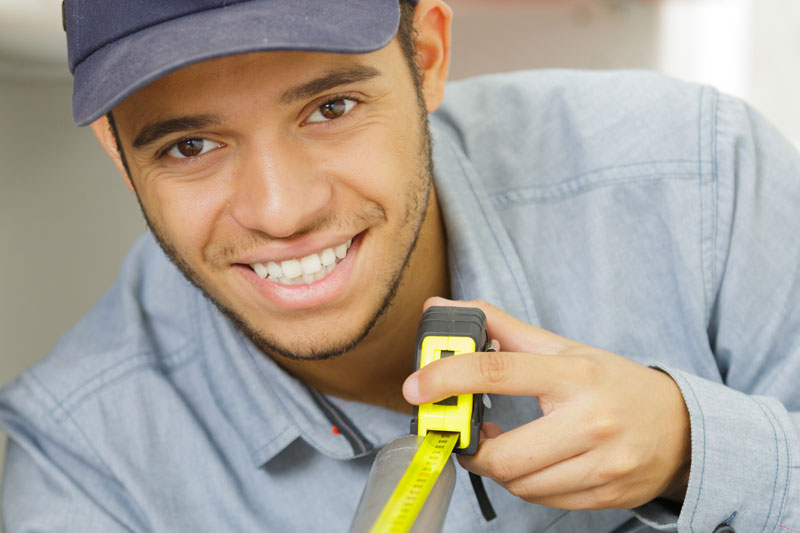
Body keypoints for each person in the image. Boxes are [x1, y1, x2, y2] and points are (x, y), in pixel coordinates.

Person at [1, 0, 798, 531]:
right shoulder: (86, 467)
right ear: (116, 151)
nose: (281, 210)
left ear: (427, 56)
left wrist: (694, 446)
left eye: (332, 108)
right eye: (190, 146)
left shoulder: (704, 179)